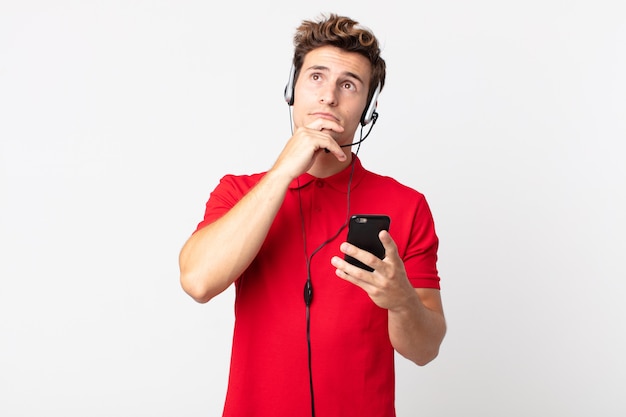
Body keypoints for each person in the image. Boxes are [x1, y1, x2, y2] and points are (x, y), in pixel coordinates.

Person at [179, 13, 446, 417]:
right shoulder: (239, 192)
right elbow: (198, 282)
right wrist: (284, 171)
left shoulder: (407, 205)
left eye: (349, 85)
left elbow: (425, 350)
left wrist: (402, 300)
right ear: (292, 89)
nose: (329, 97)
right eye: (316, 77)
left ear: (367, 107)